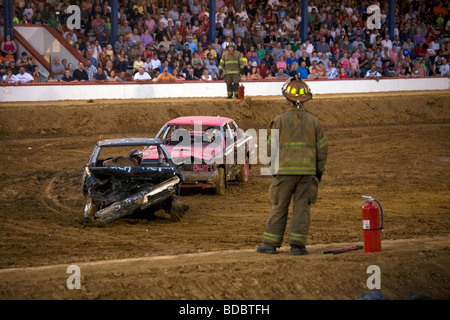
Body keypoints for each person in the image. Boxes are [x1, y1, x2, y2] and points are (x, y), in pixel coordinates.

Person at [257, 76, 328, 256]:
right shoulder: (314, 122)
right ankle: (297, 245)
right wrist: (318, 172)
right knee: (301, 207)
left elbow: (269, 150)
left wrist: (274, 170)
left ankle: (270, 244)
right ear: (306, 99)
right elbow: (322, 150)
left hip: (284, 173)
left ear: (287, 98)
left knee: (279, 206)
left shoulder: (278, 120)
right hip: (307, 174)